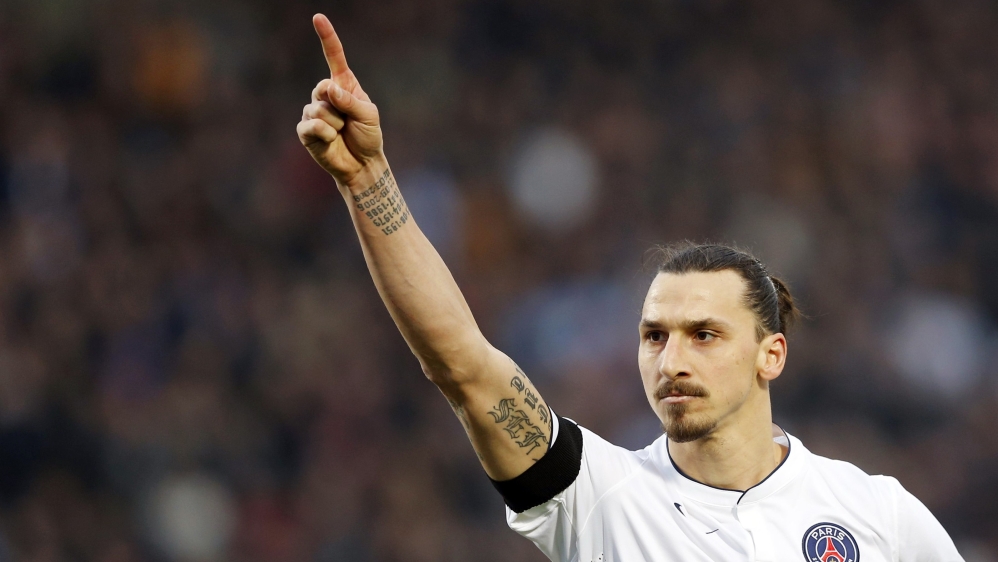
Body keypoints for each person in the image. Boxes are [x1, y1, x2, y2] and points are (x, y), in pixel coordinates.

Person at [296, 13, 965, 561]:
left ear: (773, 354)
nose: (671, 360)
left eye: (705, 334)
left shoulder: (879, 515)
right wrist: (367, 182)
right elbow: (462, 364)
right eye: (654, 336)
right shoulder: (602, 498)